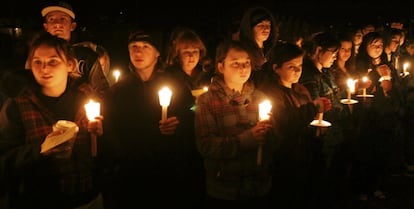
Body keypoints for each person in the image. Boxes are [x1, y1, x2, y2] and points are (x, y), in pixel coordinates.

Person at [0, 32, 104, 209]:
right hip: (39, 200)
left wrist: (100, 136)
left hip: (88, 198)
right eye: (37, 62)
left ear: (70, 65)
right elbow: (5, 159)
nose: (44, 69)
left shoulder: (87, 98)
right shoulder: (18, 104)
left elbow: (107, 154)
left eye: (53, 61)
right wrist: (40, 149)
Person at [101, 28, 197, 209]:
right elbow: (110, 130)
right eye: (133, 46)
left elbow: (192, 112)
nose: (138, 51)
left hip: (168, 174)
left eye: (145, 46)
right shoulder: (117, 92)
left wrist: (179, 125)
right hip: (130, 176)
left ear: (157, 53)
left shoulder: (176, 86)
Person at [194, 40, 273, 209]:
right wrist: (246, 139)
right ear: (221, 67)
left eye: (246, 63)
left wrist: (271, 133)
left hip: (258, 187)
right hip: (225, 189)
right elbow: (206, 145)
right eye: (235, 63)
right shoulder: (207, 101)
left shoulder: (260, 98)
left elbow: (273, 143)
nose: (243, 68)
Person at [257, 42, 331, 209]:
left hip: (301, 155)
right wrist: (313, 108)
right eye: (291, 66)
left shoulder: (300, 90)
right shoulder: (269, 92)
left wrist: (316, 127)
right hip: (282, 159)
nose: (298, 70)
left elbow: (304, 120)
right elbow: (285, 122)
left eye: (300, 65)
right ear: (276, 68)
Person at [164, 26, 214, 208]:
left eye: (195, 51)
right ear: (178, 54)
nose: (192, 56)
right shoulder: (170, 77)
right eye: (186, 52)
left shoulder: (207, 77)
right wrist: (194, 106)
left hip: (204, 135)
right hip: (181, 138)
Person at [40, 1, 110, 97]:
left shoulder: (86, 56)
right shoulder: (37, 56)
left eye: (63, 19)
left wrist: (90, 94)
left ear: (72, 26)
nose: (57, 23)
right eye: (51, 19)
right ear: (46, 27)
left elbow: (103, 92)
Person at [238, 6, 279, 85]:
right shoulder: (244, 52)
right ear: (250, 28)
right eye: (260, 25)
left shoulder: (270, 51)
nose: (266, 29)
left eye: (268, 25)